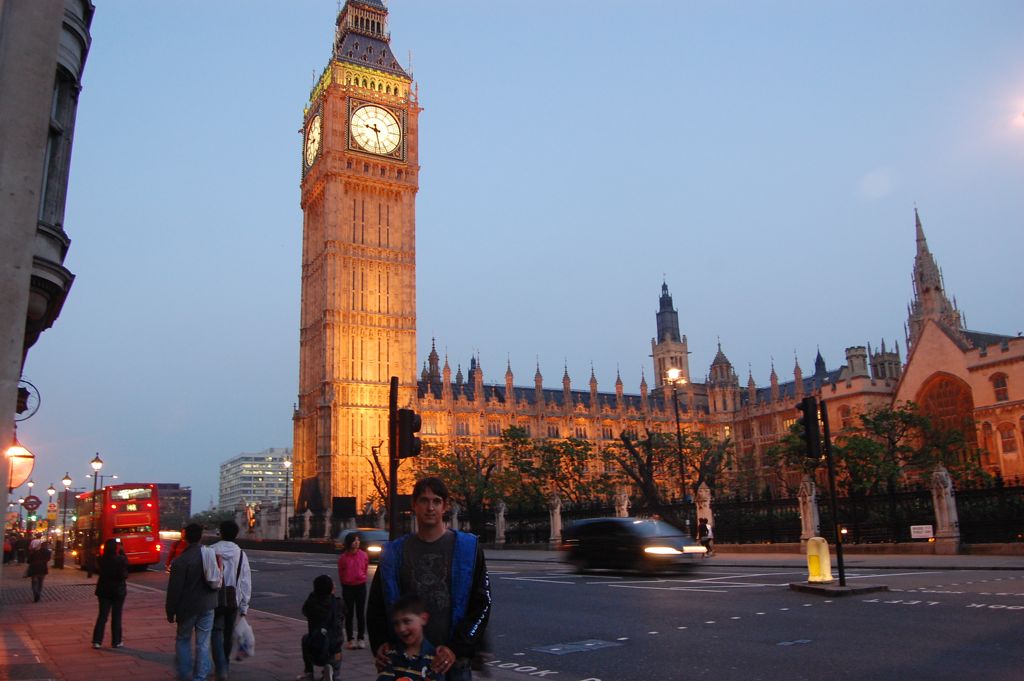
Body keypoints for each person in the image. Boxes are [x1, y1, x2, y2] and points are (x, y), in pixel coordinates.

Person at [368, 477, 491, 681]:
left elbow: (482, 605)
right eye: (424, 501)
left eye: (436, 501)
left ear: (445, 506)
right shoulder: (394, 552)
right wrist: (380, 642)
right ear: (414, 505)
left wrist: (456, 648)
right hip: (406, 661)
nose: (430, 507)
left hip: (452, 662)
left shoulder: (468, 549)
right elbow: (377, 604)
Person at [166, 523, 217, 681]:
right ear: (201, 536)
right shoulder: (208, 554)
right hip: (207, 604)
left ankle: (184, 672)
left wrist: (170, 610)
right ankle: (200, 676)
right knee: (203, 642)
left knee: (183, 639)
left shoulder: (180, 561)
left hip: (187, 608)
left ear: (185, 537)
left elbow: (174, 590)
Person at [211, 520, 252, 681]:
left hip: (214, 599)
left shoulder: (211, 550)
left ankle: (219, 667)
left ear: (220, 532)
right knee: (228, 634)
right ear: (236, 534)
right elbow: (245, 582)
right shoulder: (241, 554)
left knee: (215, 632)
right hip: (233, 600)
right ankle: (225, 664)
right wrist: (244, 607)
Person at [375, 594, 444, 681]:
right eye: (396, 623)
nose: (401, 629)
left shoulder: (435, 658)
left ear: (423, 619)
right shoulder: (391, 654)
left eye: (407, 621)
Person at [298, 574, 343, 681]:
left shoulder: (312, 602)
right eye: (333, 585)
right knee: (338, 639)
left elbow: (304, 611)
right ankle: (333, 672)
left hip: (315, 648)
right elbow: (344, 614)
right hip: (333, 647)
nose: (335, 586)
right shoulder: (337, 603)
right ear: (330, 588)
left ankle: (309, 671)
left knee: (305, 638)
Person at [92, 538, 129, 648]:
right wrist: (122, 552)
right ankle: (116, 641)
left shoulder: (102, 559)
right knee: (117, 616)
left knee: (102, 616)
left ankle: (97, 641)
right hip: (118, 590)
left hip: (103, 590)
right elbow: (125, 573)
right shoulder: (121, 559)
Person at [337, 531, 369, 649]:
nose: (357, 542)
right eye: (354, 540)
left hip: (360, 586)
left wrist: (362, 577)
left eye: (358, 540)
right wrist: (345, 582)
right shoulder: (343, 558)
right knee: (349, 614)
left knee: (360, 613)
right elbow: (341, 572)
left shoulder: (364, 555)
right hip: (348, 587)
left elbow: (365, 568)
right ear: (349, 542)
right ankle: (350, 639)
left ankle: (361, 638)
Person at [26, 537, 51, 602]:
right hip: (43, 569)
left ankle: (35, 593)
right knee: (40, 583)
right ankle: (38, 593)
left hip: (34, 569)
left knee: (34, 583)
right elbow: (48, 559)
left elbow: (28, 561)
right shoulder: (47, 552)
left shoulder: (35, 552)